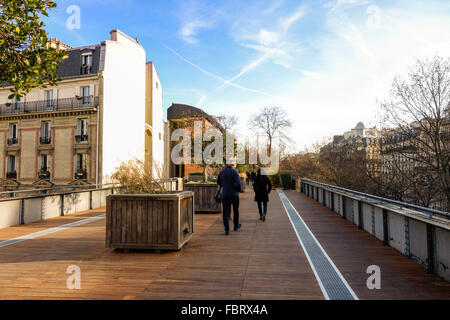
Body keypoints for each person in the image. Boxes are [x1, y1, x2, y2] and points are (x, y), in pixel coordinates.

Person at [217, 162, 242, 235]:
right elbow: (238, 183)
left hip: (225, 194)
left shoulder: (222, 172)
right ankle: (236, 226)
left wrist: (224, 184)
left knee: (225, 212)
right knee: (235, 210)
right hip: (234, 194)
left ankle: (227, 229)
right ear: (232, 164)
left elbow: (218, 182)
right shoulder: (235, 172)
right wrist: (239, 190)